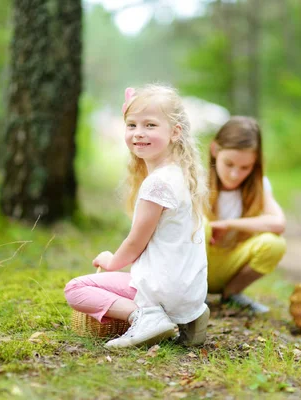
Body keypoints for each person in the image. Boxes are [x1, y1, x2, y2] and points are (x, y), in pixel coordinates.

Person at [65, 84, 210, 348]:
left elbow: (135, 242)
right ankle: (192, 317)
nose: (138, 133)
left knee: (75, 289)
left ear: (175, 132)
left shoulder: (158, 183)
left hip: (164, 290)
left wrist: (111, 262)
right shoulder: (181, 175)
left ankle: (145, 316)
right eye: (132, 125)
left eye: (150, 125)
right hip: (190, 292)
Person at [206, 116, 286, 314]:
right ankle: (191, 297)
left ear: (255, 163)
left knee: (275, 244)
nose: (235, 174)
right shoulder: (197, 180)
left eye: (245, 168)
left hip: (229, 264)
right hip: (196, 264)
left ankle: (231, 294)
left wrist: (230, 224)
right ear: (215, 150)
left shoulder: (259, 186)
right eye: (229, 164)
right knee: (202, 227)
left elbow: (278, 223)